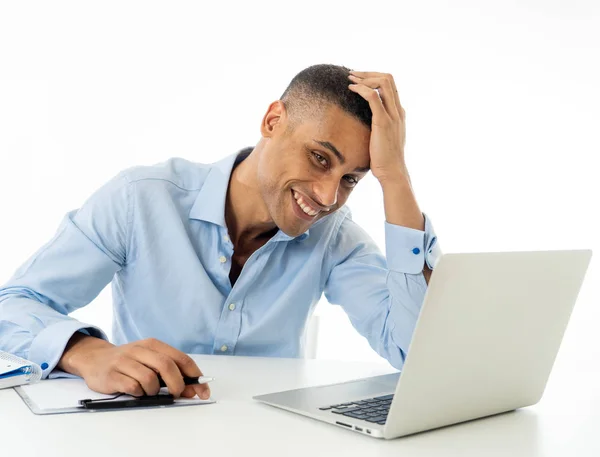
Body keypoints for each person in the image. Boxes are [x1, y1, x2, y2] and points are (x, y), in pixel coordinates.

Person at [0, 64, 441, 401]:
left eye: (352, 179)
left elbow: (415, 353)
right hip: (144, 433)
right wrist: (86, 353)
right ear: (273, 121)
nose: (328, 197)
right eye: (320, 158)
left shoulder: (336, 238)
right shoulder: (141, 199)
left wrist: (394, 176)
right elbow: (14, 305)